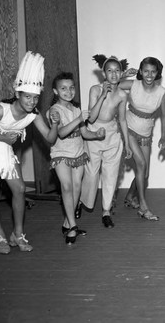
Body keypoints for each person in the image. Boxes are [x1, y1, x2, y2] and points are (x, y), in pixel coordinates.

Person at [0, 52, 60, 254]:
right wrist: (2, 138)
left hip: (4, 149)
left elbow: (50, 139)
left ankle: (17, 234)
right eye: (27, 97)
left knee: (18, 189)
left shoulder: (33, 115)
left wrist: (54, 124)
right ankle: (0, 235)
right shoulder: (2, 110)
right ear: (18, 94)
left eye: (35, 98)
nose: (32, 102)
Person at [48, 72, 105, 244]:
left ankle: (68, 222)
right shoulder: (54, 110)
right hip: (61, 154)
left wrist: (96, 134)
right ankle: (72, 227)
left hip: (78, 152)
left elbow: (84, 132)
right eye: (63, 88)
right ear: (56, 91)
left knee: (77, 186)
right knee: (66, 187)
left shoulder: (76, 109)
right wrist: (79, 119)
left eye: (71, 87)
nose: (68, 91)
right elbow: (61, 132)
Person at [77, 55, 132, 228]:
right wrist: (102, 94)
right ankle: (80, 202)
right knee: (91, 174)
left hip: (112, 135)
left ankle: (106, 211)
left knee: (111, 174)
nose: (114, 74)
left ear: (121, 73)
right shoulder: (95, 89)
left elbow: (122, 119)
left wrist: (128, 144)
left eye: (117, 70)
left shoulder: (122, 95)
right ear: (104, 73)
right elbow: (91, 118)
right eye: (110, 70)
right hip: (94, 133)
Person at [119, 57, 165, 221]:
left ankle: (129, 197)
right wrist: (123, 75)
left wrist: (164, 136)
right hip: (129, 129)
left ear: (157, 73)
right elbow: (110, 84)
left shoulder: (161, 92)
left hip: (146, 134)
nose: (149, 74)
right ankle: (143, 207)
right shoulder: (133, 85)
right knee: (141, 164)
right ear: (140, 71)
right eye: (146, 70)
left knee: (144, 174)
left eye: (153, 71)